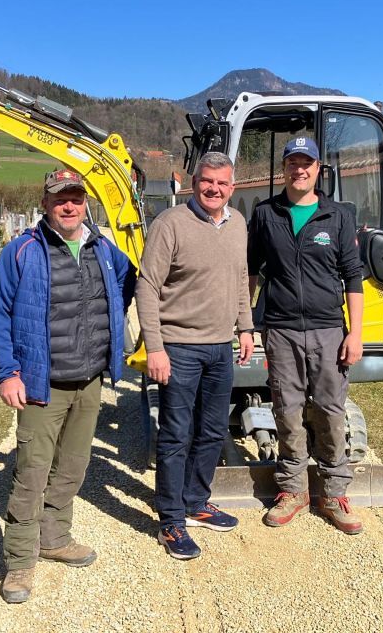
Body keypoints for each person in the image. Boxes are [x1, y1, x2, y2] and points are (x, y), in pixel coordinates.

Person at [0, 168, 136, 603]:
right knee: (32, 473)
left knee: (72, 467)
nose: (68, 206)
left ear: (86, 202)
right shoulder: (22, 252)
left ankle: (54, 539)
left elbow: (126, 284)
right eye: (59, 198)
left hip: (89, 380)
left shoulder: (103, 249)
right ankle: (19, 562)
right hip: (41, 384)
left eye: (75, 198)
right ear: (45, 203)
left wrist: (110, 328)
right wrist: (7, 373)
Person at [136, 151, 254, 560]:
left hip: (220, 347)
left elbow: (241, 277)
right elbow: (147, 286)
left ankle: (195, 501)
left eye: (222, 183)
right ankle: (171, 520)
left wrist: (245, 327)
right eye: (207, 181)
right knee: (176, 435)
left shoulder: (237, 224)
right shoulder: (170, 224)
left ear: (232, 187)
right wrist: (155, 347)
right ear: (194, 182)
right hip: (179, 347)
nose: (214, 189)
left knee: (212, 431)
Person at [246, 136, 366, 534]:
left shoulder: (337, 216)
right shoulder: (266, 214)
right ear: (284, 169)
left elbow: (353, 276)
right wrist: (245, 323)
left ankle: (333, 492)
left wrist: (355, 333)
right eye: (293, 163)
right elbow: (250, 269)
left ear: (318, 169)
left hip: (329, 330)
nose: (299, 169)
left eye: (306, 163)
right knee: (287, 409)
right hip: (280, 329)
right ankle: (293, 490)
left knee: (330, 410)